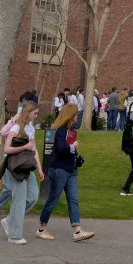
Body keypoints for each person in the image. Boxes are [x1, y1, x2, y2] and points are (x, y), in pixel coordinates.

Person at [36, 93, 94, 242]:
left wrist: (76, 156)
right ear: (70, 115)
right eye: (76, 114)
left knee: (73, 199)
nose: (77, 116)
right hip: (60, 170)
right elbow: (61, 148)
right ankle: (41, 228)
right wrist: (72, 147)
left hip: (70, 170)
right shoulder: (61, 130)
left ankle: (77, 231)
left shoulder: (71, 131)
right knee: (53, 200)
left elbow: (69, 150)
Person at [0, 124, 41, 244]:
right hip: (15, 165)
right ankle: (14, 236)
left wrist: (39, 167)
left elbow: (34, 149)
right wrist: (25, 146)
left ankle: (9, 220)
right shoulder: (15, 127)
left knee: (33, 197)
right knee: (19, 199)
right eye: (35, 113)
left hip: (27, 165)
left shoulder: (31, 128)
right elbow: (6, 149)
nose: (36, 115)